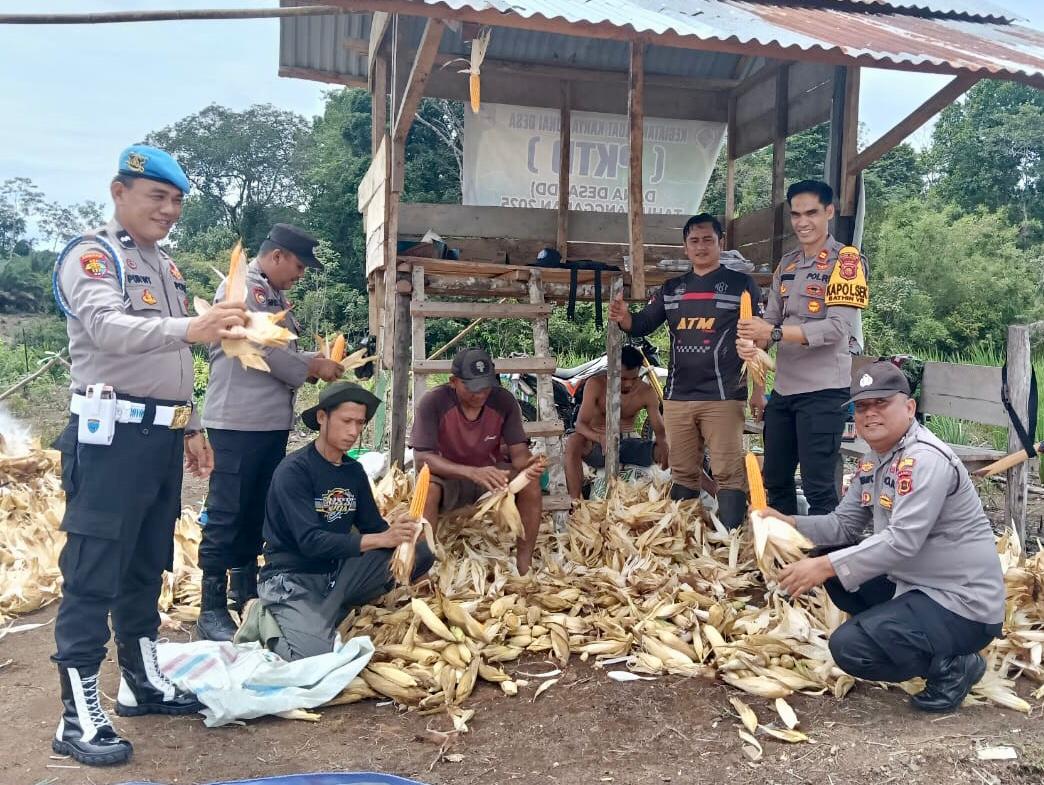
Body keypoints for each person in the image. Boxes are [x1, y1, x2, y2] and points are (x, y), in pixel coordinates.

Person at [49, 144, 249, 766]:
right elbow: (108, 328)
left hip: (161, 436)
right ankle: (76, 712)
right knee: (93, 570)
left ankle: (140, 679)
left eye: (177, 201)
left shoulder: (167, 267)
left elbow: (170, 356)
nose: (170, 210)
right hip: (110, 439)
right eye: (157, 197)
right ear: (119, 191)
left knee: (145, 562)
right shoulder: (93, 255)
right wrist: (193, 327)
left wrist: (190, 425)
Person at [759, 362, 1004, 712]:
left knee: (849, 648)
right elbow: (842, 525)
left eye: (881, 404)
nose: (870, 414)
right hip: (915, 584)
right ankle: (896, 630)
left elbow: (903, 540)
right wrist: (788, 522)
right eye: (861, 407)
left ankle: (954, 665)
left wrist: (825, 566)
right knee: (831, 557)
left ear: (909, 407)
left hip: (961, 603)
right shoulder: (877, 459)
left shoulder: (923, 460)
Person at [196, 224, 346, 641]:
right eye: (298, 266)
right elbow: (260, 348)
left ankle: (243, 593)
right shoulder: (245, 288)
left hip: (267, 421)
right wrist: (312, 365)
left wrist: (311, 362)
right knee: (227, 510)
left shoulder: (275, 297)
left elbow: (285, 350)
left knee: (256, 509)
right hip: (237, 422)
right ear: (277, 256)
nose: (300, 274)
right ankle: (210, 607)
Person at [254, 382, 433, 661]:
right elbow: (310, 542)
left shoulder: (353, 472)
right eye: (346, 421)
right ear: (322, 417)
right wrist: (382, 539)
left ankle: (325, 612)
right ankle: (264, 615)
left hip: (338, 572)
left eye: (360, 423)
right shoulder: (295, 471)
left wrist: (403, 535)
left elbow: (374, 528)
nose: (354, 431)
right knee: (312, 656)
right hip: (293, 576)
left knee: (421, 555)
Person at [608, 213, 764, 528]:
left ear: (721, 243)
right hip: (678, 397)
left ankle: (729, 544)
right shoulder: (671, 289)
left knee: (728, 473)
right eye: (694, 240)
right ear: (685, 248)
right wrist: (624, 316)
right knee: (682, 471)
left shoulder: (741, 285)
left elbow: (758, 339)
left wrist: (758, 390)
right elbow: (641, 325)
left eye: (708, 239)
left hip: (723, 396)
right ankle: (684, 541)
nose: (701, 246)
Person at [737, 180, 869, 515]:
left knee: (818, 487)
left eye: (811, 212)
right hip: (784, 390)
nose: (802, 222)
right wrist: (753, 342)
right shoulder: (789, 263)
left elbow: (837, 328)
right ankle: (784, 556)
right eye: (796, 214)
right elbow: (770, 320)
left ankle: (828, 562)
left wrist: (775, 333)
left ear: (829, 212)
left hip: (824, 391)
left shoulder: (848, 262)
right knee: (776, 480)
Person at [411, 348, 545, 573]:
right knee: (427, 491)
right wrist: (472, 472)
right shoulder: (433, 402)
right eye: (473, 388)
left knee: (531, 483)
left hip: (490, 476)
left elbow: (519, 453)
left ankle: (524, 563)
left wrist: (530, 465)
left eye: (486, 386)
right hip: (449, 478)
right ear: (454, 382)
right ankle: (424, 567)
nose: (481, 393)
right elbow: (422, 459)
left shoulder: (503, 401)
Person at [564, 345, 668, 499]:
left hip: (628, 443)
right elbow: (580, 425)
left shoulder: (646, 392)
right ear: (611, 372)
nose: (628, 384)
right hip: (598, 444)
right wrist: (600, 438)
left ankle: (703, 493)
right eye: (623, 378)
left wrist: (665, 450)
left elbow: (660, 432)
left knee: (671, 449)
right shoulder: (595, 384)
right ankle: (575, 502)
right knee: (573, 442)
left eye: (634, 379)